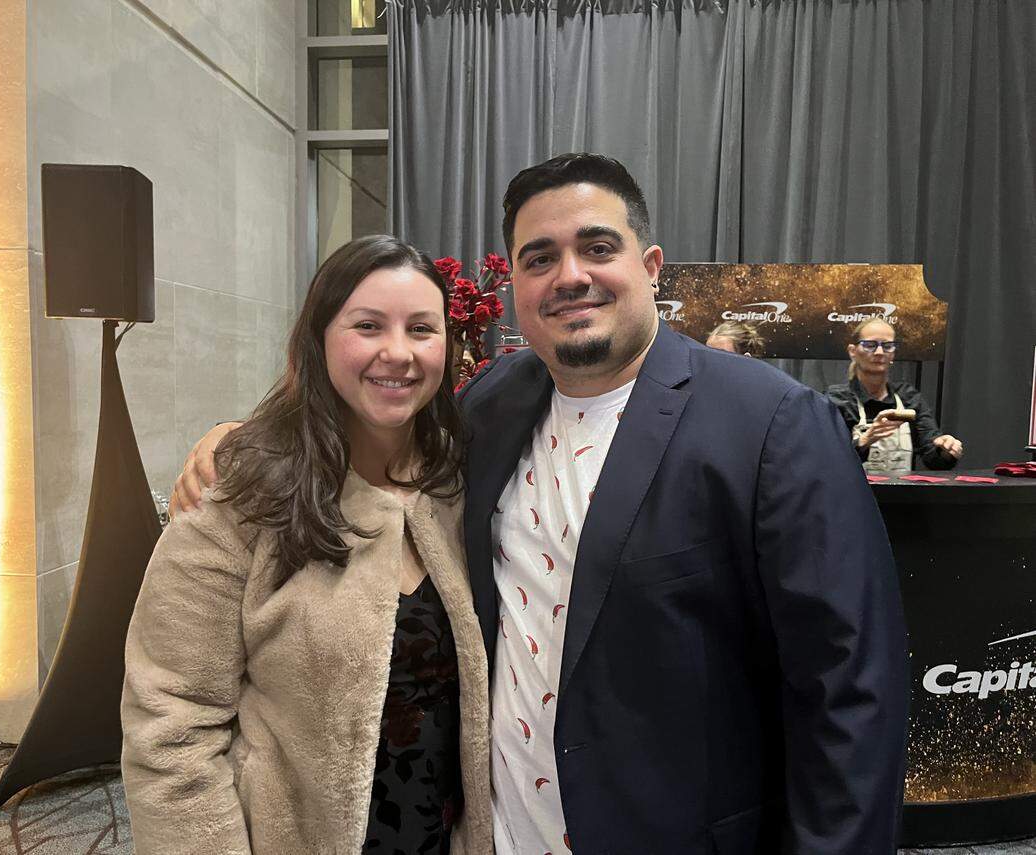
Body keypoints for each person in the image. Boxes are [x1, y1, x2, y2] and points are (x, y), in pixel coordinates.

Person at [175, 155, 909, 853]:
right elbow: (372, 428)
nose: (570, 276)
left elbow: (851, 691)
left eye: (597, 246)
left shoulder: (773, 423)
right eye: (540, 257)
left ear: (650, 268)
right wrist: (245, 437)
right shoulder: (490, 406)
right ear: (516, 288)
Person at [122, 236, 493, 855]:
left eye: (422, 328)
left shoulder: (460, 485)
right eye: (367, 325)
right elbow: (171, 720)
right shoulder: (243, 497)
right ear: (319, 339)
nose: (397, 353)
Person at [826, 317, 963, 471]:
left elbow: (932, 456)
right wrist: (864, 441)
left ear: (893, 353)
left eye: (887, 346)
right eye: (870, 345)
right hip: (852, 494)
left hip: (901, 495)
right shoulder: (837, 399)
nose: (879, 352)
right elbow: (826, 458)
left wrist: (946, 449)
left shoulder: (908, 397)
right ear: (853, 351)